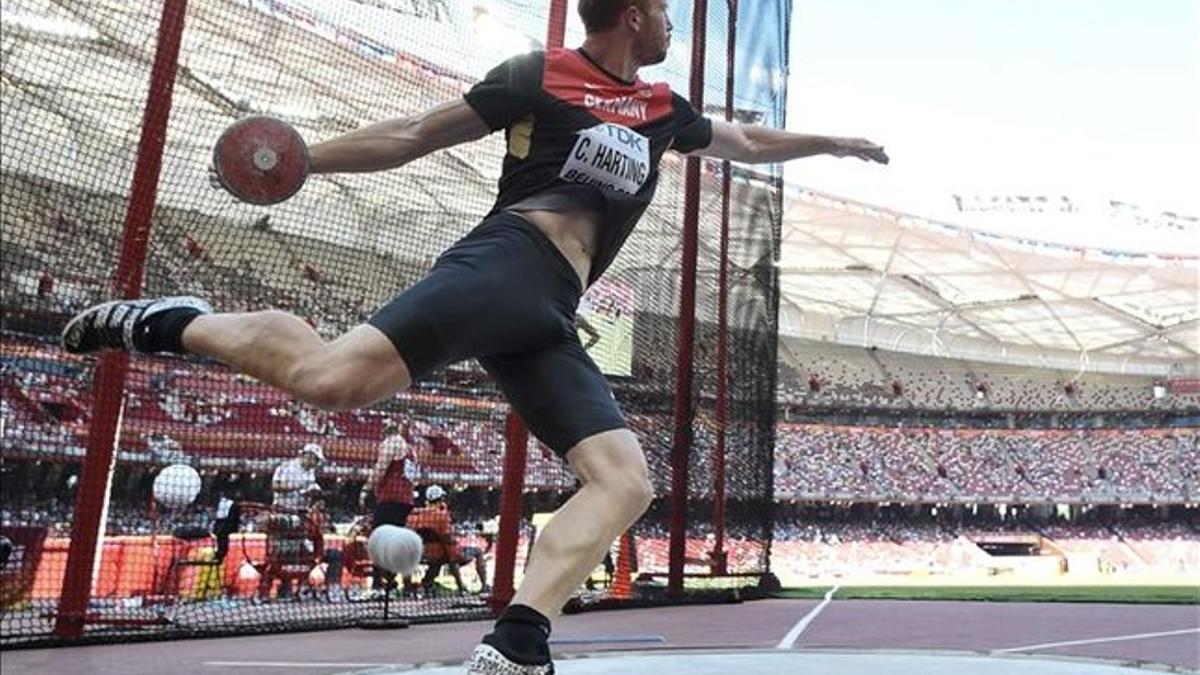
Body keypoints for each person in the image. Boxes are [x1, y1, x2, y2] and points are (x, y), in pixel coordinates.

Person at [60, 0, 886, 670]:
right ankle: (174, 321)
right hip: (507, 260)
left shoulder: (665, 110)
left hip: (552, 310)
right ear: (633, 14)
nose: (673, 24)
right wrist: (309, 158)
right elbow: (419, 133)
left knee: (623, 479)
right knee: (332, 380)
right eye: (665, 10)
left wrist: (832, 142)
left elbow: (743, 141)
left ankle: (518, 640)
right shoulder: (541, 74)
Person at [360, 419, 420, 590]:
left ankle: (378, 585)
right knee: (397, 541)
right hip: (405, 500)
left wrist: (366, 489)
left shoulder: (391, 442)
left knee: (379, 540)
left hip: (390, 498)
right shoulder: (411, 450)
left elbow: (381, 467)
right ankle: (396, 583)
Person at [272, 443, 324, 512]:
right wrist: (295, 486)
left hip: (301, 510)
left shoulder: (311, 471)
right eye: (315, 459)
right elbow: (275, 487)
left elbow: (307, 492)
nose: (316, 463)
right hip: (282, 508)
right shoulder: (287, 467)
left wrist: (313, 492)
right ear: (307, 456)